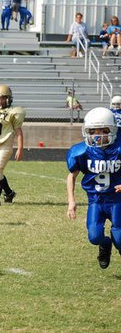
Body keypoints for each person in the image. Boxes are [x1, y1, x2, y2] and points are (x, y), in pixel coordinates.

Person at [66, 107, 121, 269]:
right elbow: (72, 176)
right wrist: (71, 201)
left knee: (119, 238)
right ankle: (105, 245)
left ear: (111, 129)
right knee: (94, 237)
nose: (97, 135)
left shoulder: (118, 149)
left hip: (117, 200)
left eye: (102, 130)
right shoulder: (81, 151)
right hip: (96, 200)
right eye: (92, 131)